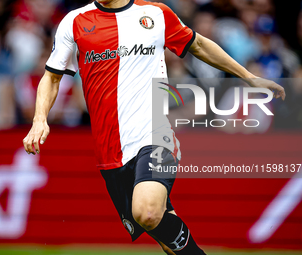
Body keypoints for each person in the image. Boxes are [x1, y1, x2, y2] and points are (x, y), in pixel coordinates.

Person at [23, 0, 285, 254]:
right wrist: (39, 119)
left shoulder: (155, 15)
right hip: (110, 150)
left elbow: (200, 45)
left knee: (146, 212)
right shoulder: (74, 22)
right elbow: (52, 77)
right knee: (165, 236)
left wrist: (249, 78)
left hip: (155, 134)